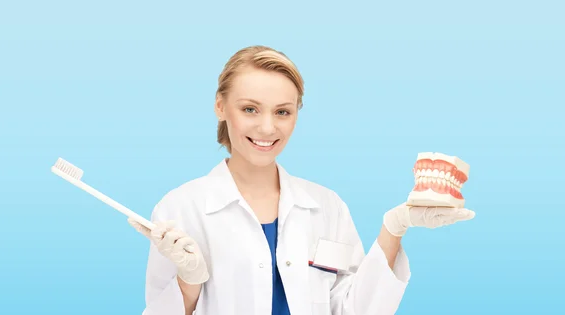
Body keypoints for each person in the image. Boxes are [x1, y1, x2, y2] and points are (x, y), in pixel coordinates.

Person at [128, 45, 476, 315]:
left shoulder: (326, 206)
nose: (268, 128)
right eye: (250, 109)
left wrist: (393, 228)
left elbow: (357, 310)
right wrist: (189, 284)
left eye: (283, 111)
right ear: (221, 106)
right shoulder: (180, 208)